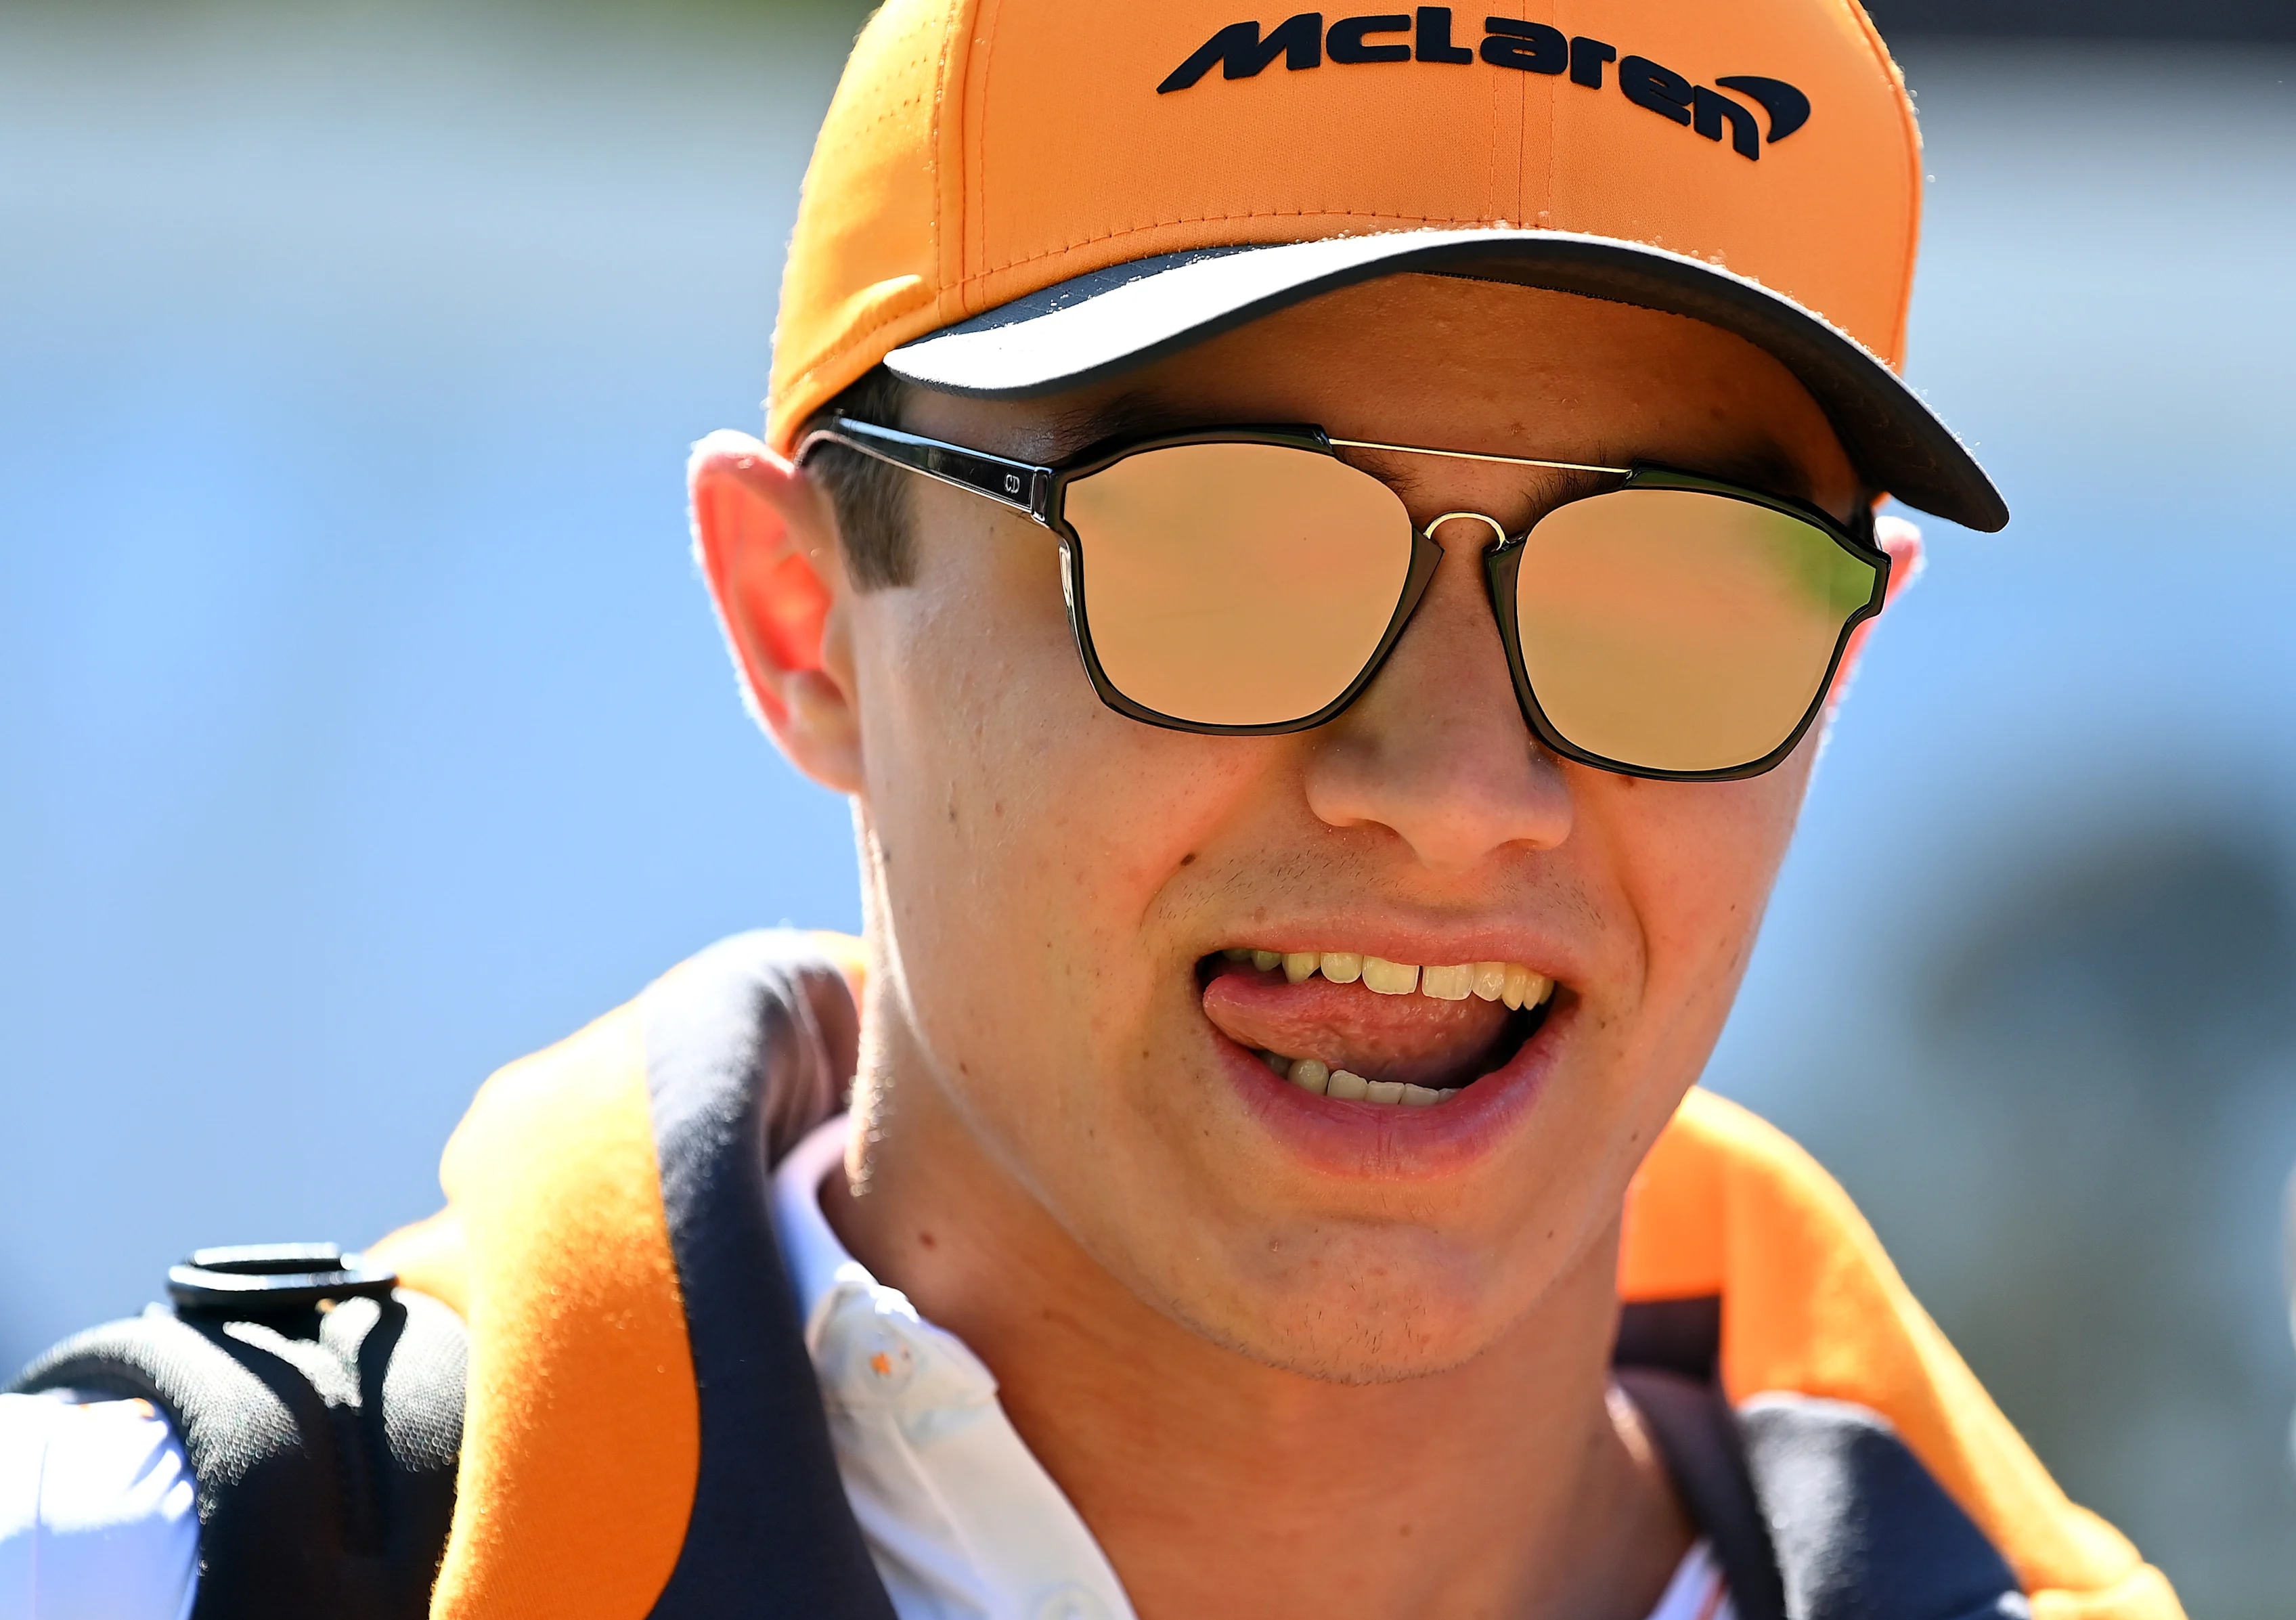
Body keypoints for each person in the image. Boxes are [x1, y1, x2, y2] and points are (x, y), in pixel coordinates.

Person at [1, 2, 2186, 1617]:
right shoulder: (115, 1569)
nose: (1456, 794)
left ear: (1838, 668)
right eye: (1225, 550)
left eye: (1675, 593)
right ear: (802, 622)